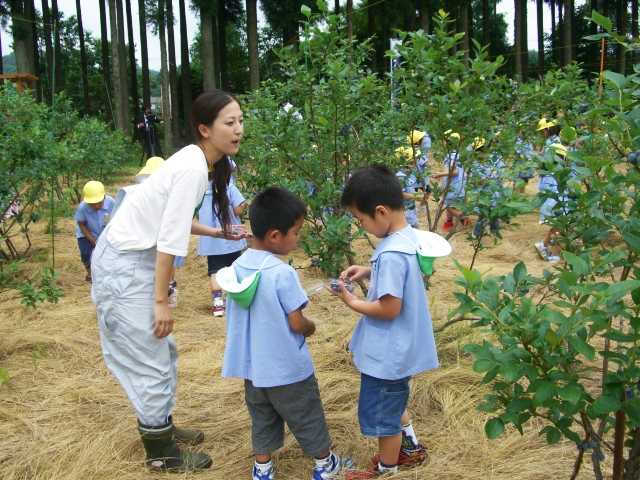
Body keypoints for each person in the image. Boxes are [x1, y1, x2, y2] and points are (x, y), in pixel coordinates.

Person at [91, 89, 245, 473]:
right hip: (125, 266)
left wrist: (215, 231)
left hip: (133, 258)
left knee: (163, 353)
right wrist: (162, 301)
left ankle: (162, 426)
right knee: (152, 361)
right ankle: (161, 452)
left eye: (241, 120)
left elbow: (170, 218)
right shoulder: (194, 168)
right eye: (230, 122)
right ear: (204, 129)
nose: (239, 128)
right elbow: (168, 240)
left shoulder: (198, 162)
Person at [221, 187, 351, 480]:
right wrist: (311, 326)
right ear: (275, 236)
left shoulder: (237, 266)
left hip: (254, 370)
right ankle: (324, 464)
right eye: (296, 232)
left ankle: (263, 468)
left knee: (262, 419)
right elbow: (296, 322)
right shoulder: (282, 273)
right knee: (306, 416)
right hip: (287, 369)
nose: (298, 237)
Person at [331, 166, 435, 479]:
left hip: (388, 353)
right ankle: (410, 446)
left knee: (384, 416)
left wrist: (352, 301)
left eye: (360, 220)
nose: (361, 226)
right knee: (394, 399)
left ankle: (387, 470)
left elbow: (389, 308)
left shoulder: (390, 255)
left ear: (380, 211)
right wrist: (368, 270)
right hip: (402, 348)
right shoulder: (408, 236)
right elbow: (405, 277)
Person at [198, 176, 247, 316]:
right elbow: (238, 210)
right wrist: (243, 206)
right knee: (235, 270)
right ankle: (237, 301)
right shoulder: (229, 185)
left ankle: (218, 303)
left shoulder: (200, 188)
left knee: (215, 272)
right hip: (232, 238)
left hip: (211, 240)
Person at [75, 180, 114, 282]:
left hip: (104, 232)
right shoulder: (82, 208)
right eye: (92, 204)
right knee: (86, 253)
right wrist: (93, 240)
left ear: (104, 197)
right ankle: (89, 272)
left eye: (99, 203)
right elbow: (82, 224)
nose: (96, 206)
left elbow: (115, 220)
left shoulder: (111, 203)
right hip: (86, 232)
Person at [431, 130, 468, 232]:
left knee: (446, 205)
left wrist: (440, 174)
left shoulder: (452, 156)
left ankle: (463, 217)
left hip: (453, 186)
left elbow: (455, 172)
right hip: (458, 185)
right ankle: (449, 221)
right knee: (451, 203)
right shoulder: (457, 154)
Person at [394, 146, 421, 228]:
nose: (417, 162)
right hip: (404, 212)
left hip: (411, 210)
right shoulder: (400, 176)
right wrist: (416, 197)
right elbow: (400, 194)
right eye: (415, 160)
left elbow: (413, 186)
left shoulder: (411, 174)